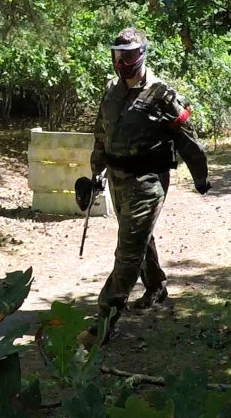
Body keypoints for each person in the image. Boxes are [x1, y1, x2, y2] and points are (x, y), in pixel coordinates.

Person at [85, 27, 210, 344]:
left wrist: (201, 177)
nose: (122, 61)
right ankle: (155, 286)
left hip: (148, 181)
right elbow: (102, 133)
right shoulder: (112, 90)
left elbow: (189, 142)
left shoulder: (161, 94)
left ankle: (104, 322)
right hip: (117, 178)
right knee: (137, 236)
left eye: (128, 55)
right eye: (118, 54)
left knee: (127, 252)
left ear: (141, 55)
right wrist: (96, 172)